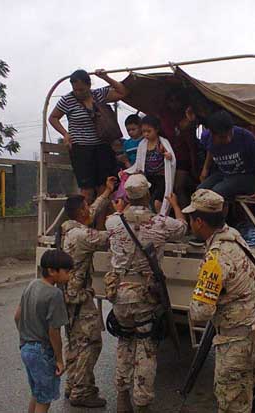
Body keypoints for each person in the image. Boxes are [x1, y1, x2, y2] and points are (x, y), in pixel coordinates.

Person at [105, 174, 187, 413]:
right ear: (148, 195)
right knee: (146, 348)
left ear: (126, 196)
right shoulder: (160, 223)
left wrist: (119, 209)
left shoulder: (113, 223)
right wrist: (174, 206)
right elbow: (182, 228)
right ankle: (142, 403)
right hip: (146, 296)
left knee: (124, 342)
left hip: (120, 294)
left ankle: (122, 398)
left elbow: (113, 220)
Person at [183, 189, 255, 413]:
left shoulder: (216, 257)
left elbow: (200, 311)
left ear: (199, 222)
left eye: (191, 218)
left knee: (232, 404)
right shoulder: (234, 236)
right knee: (249, 396)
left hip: (236, 344)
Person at [60, 177, 116, 408]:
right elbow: (109, 237)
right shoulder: (82, 236)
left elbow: (91, 212)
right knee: (90, 342)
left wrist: (107, 192)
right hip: (79, 298)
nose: (88, 209)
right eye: (85, 207)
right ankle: (81, 392)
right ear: (79, 213)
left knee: (74, 342)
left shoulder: (68, 230)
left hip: (68, 297)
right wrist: (120, 217)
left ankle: (73, 384)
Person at [48, 69, 128, 204]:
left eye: (82, 89)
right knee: (87, 190)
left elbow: (122, 92)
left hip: (102, 146)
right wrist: (65, 134)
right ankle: (85, 220)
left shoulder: (98, 94)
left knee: (104, 187)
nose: (78, 93)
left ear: (89, 86)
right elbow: (53, 118)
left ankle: (100, 223)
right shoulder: (67, 100)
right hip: (81, 149)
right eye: (75, 90)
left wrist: (106, 78)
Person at [14, 249, 73, 413]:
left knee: (37, 393)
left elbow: (17, 316)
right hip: (42, 352)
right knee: (44, 399)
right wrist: (60, 359)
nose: (69, 276)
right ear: (52, 271)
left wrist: (25, 337)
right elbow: (54, 332)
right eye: (67, 272)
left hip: (26, 348)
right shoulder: (55, 294)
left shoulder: (32, 284)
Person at [199, 110, 255, 201]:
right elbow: (211, 150)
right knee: (200, 192)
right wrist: (205, 169)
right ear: (212, 134)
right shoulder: (206, 137)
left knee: (216, 194)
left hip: (246, 175)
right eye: (222, 137)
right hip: (224, 173)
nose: (228, 140)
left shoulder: (245, 137)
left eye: (230, 135)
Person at [125, 115, 176, 214]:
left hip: (161, 178)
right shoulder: (142, 144)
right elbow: (139, 163)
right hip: (148, 178)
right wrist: (131, 171)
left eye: (149, 131)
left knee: (158, 202)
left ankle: (160, 220)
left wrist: (169, 156)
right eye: (144, 131)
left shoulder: (162, 143)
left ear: (156, 129)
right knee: (146, 202)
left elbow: (172, 159)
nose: (146, 134)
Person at [159, 88, 199, 208]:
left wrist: (194, 165)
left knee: (178, 187)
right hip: (168, 157)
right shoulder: (164, 117)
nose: (174, 103)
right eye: (171, 100)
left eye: (177, 100)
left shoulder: (189, 115)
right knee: (170, 187)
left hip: (184, 158)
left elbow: (191, 142)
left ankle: (185, 217)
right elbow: (165, 135)